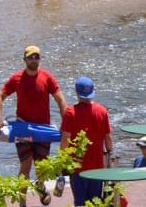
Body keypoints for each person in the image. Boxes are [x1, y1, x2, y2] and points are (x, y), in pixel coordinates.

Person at [0, 45, 66, 204]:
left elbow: (60, 99)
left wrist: (65, 122)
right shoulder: (17, 78)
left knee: (41, 168)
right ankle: (22, 203)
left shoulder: (47, 78)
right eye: (30, 57)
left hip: (43, 131)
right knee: (25, 165)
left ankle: (40, 186)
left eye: (36, 57)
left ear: (40, 59)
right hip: (22, 128)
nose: (34, 60)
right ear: (24, 59)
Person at [59, 76, 113, 206]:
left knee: (80, 202)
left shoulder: (70, 113)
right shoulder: (102, 111)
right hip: (97, 167)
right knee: (95, 201)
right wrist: (109, 157)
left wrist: (61, 162)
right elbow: (108, 139)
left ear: (77, 92)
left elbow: (65, 140)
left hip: (77, 168)